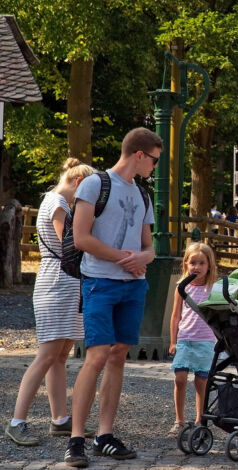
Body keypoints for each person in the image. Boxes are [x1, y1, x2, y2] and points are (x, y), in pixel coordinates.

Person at [64, 127, 159, 467]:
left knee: (119, 354)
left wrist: (142, 258)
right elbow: (81, 239)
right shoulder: (95, 184)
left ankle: (104, 435)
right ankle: (76, 438)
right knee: (97, 355)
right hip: (100, 282)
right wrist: (124, 257)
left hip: (133, 285)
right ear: (138, 155)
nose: (154, 167)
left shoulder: (143, 195)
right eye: (153, 160)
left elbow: (150, 247)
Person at [4, 158, 95, 447]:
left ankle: (60, 419)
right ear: (79, 183)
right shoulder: (58, 204)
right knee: (47, 354)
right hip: (57, 282)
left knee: (60, 354)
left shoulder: (57, 201)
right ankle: (17, 421)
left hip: (65, 282)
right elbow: (71, 244)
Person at [168, 243, 217, 437]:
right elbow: (175, 315)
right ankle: (179, 420)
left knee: (201, 382)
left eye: (201, 263)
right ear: (186, 264)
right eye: (193, 262)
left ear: (209, 265)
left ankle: (200, 419)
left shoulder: (212, 289)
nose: (197, 267)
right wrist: (173, 341)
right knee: (180, 379)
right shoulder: (182, 287)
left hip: (205, 341)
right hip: (185, 339)